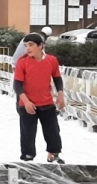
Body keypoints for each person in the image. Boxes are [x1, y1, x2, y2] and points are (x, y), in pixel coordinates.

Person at [14, 33, 66, 164]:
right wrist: (26, 102)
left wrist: (60, 94)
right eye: (26, 46)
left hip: (46, 102)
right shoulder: (22, 62)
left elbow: (57, 78)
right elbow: (17, 85)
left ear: (41, 46)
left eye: (31, 45)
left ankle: (53, 153)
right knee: (27, 132)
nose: (27, 49)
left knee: (52, 130)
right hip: (27, 103)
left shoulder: (51, 60)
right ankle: (28, 156)